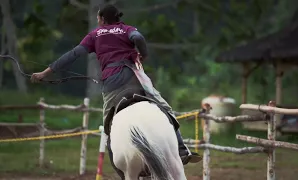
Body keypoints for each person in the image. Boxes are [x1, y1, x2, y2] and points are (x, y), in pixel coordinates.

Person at [30, 4, 201, 170]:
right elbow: (139, 38)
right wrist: (144, 54)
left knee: (109, 123)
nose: (97, 20)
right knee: (164, 107)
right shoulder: (127, 29)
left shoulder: (95, 34)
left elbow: (73, 54)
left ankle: (117, 161)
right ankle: (181, 149)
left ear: (103, 19)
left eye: (98, 17)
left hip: (113, 82)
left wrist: (45, 73)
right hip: (136, 77)